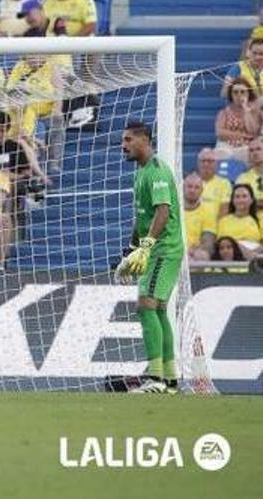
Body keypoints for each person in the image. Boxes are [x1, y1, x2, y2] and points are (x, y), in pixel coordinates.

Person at [117, 122, 183, 394]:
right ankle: (168, 379)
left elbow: (163, 212)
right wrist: (132, 248)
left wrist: (146, 246)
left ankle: (154, 378)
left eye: (129, 139)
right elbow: (143, 216)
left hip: (163, 249)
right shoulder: (140, 171)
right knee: (157, 309)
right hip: (156, 248)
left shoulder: (156, 170)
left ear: (145, 140)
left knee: (146, 305)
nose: (124, 145)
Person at [215, 78, 260, 159]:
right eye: (235, 92)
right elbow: (220, 133)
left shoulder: (254, 111)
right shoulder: (224, 112)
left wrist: (246, 110)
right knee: (222, 153)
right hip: (227, 146)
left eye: (243, 92)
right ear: (231, 95)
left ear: (248, 93)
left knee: (251, 152)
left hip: (247, 146)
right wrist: (243, 135)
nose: (239, 95)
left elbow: (253, 131)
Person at [216, 184, 261, 258]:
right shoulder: (223, 221)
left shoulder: (260, 219)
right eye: (237, 197)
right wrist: (239, 247)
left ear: (251, 200)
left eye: (244, 196)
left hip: (255, 255)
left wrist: (252, 253)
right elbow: (222, 245)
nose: (241, 200)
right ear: (233, 200)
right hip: (230, 256)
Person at [182, 173, 217, 262]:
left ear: (202, 191)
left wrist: (191, 251)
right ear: (182, 188)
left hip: (195, 253)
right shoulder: (172, 209)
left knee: (202, 255)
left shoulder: (208, 211)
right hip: (174, 250)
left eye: (196, 187)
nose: (192, 190)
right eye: (189, 187)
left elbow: (208, 242)